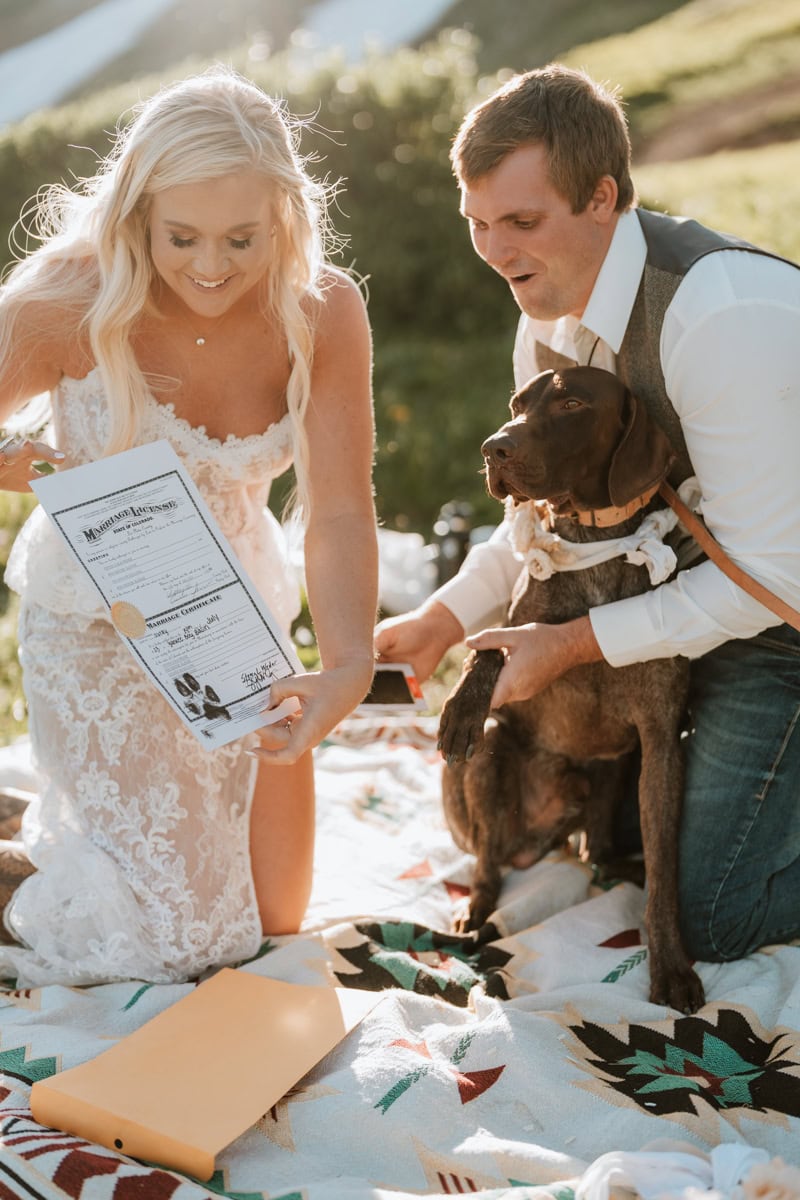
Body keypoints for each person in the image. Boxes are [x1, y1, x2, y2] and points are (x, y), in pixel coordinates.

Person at [375, 63, 800, 965]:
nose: (493, 251)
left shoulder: (718, 318)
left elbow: (771, 581)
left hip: (783, 612)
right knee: (642, 857)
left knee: (710, 912)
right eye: (478, 225)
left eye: (520, 223)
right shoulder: (546, 309)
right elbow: (542, 522)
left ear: (603, 197)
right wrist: (443, 618)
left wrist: (571, 645)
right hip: (710, 589)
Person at [0, 69, 377, 987]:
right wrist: (20, 461)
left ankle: (39, 826)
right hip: (100, 624)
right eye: (182, 237)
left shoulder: (323, 309)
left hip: (234, 620)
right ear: (138, 210)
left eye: (242, 238)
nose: (211, 265)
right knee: (177, 943)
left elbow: (336, 508)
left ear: (283, 215)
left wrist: (348, 665)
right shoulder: (69, 296)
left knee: (271, 924)